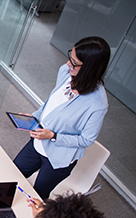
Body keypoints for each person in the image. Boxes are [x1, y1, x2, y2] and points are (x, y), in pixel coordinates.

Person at [13, 37, 111, 199]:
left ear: (90, 68)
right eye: (70, 58)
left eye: (74, 63)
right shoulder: (65, 73)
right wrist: (35, 116)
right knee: (12, 175)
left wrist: (53, 136)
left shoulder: (97, 104)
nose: (68, 64)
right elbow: (51, 104)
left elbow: (86, 140)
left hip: (58, 159)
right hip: (37, 144)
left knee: (37, 197)